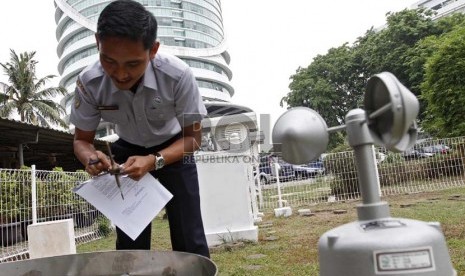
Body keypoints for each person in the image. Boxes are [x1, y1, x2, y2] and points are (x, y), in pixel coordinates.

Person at [70, 0, 210, 258]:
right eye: (109, 61)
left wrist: (154, 160)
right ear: (97, 42)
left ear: (153, 50)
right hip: (126, 151)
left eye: (133, 64)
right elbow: (81, 140)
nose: (120, 74)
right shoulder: (89, 82)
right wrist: (89, 157)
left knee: (190, 235)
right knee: (130, 241)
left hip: (174, 149)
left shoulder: (179, 76)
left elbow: (194, 139)